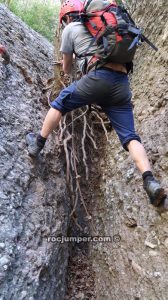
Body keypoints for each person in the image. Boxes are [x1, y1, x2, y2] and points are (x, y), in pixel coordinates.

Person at [26, 0, 167, 207]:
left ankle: (36, 144)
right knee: (129, 137)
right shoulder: (103, 26)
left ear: (66, 18)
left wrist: (73, 62)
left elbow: (66, 69)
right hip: (121, 84)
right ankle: (150, 181)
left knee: (59, 104)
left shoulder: (71, 29)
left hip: (96, 78)